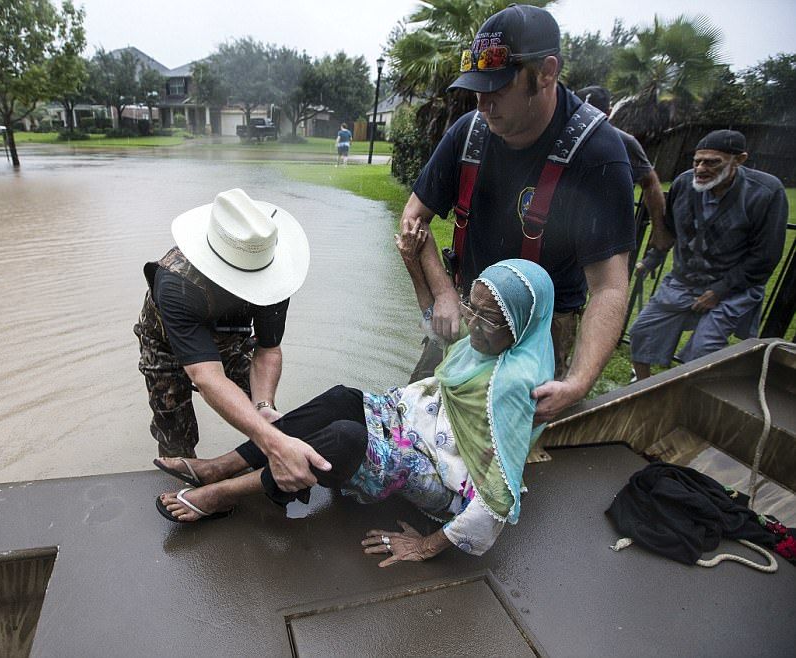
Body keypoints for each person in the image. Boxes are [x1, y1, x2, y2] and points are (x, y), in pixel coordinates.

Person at [156, 257, 555, 567]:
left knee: (348, 439)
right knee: (342, 397)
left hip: (443, 476)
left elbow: (496, 502)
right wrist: (414, 259)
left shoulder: (513, 386)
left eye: (487, 318)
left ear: (521, 325)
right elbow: (438, 328)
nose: (472, 321)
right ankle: (220, 466)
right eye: (472, 306)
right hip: (418, 424)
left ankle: (223, 494)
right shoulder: (487, 341)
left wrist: (425, 547)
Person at [400, 4, 634, 422]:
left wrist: (578, 382)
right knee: (416, 419)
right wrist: (443, 292)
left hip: (541, 330)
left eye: (499, 87)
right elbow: (413, 218)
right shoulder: (468, 133)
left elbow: (609, 287)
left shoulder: (597, 153)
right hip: (467, 306)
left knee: (509, 454)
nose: (484, 104)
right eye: (477, 89)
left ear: (546, 72)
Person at [134, 188, 332, 493]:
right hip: (166, 345)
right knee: (175, 429)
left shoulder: (274, 273)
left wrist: (263, 406)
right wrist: (271, 439)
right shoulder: (177, 285)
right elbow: (208, 377)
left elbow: (268, 348)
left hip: (230, 340)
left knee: (268, 421)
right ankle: (186, 489)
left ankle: (263, 480)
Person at [629, 130, 788, 379]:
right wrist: (652, 259)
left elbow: (765, 256)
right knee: (642, 331)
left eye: (712, 162)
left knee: (703, 350)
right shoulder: (683, 184)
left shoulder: (765, 193)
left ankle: (688, 396)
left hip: (733, 288)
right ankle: (642, 385)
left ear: (739, 159)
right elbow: (669, 229)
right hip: (685, 280)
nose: (701, 169)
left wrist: (720, 291)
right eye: (697, 161)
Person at [575, 85, 667, 248]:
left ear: (608, 113)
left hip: (603, 230)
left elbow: (649, 181)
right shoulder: (563, 137)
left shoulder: (622, 142)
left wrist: (659, 230)